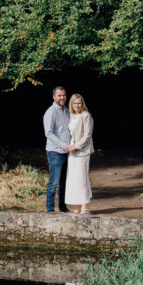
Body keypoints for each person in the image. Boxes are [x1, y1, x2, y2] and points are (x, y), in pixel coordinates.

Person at [64, 93, 94, 214]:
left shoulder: (86, 116)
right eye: (74, 103)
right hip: (72, 151)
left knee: (82, 178)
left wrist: (75, 146)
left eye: (79, 103)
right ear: (71, 104)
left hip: (82, 151)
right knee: (73, 179)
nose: (77, 105)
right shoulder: (70, 116)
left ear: (82, 104)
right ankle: (76, 205)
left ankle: (84, 205)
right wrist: (69, 146)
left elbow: (87, 135)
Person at [43, 85, 70, 213]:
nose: (62, 98)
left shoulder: (66, 111)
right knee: (54, 181)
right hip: (55, 151)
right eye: (59, 95)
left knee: (64, 181)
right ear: (54, 97)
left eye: (63, 95)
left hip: (67, 151)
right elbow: (48, 133)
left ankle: (62, 207)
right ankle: (50, 209)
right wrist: (63, 144)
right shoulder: (51, 112)